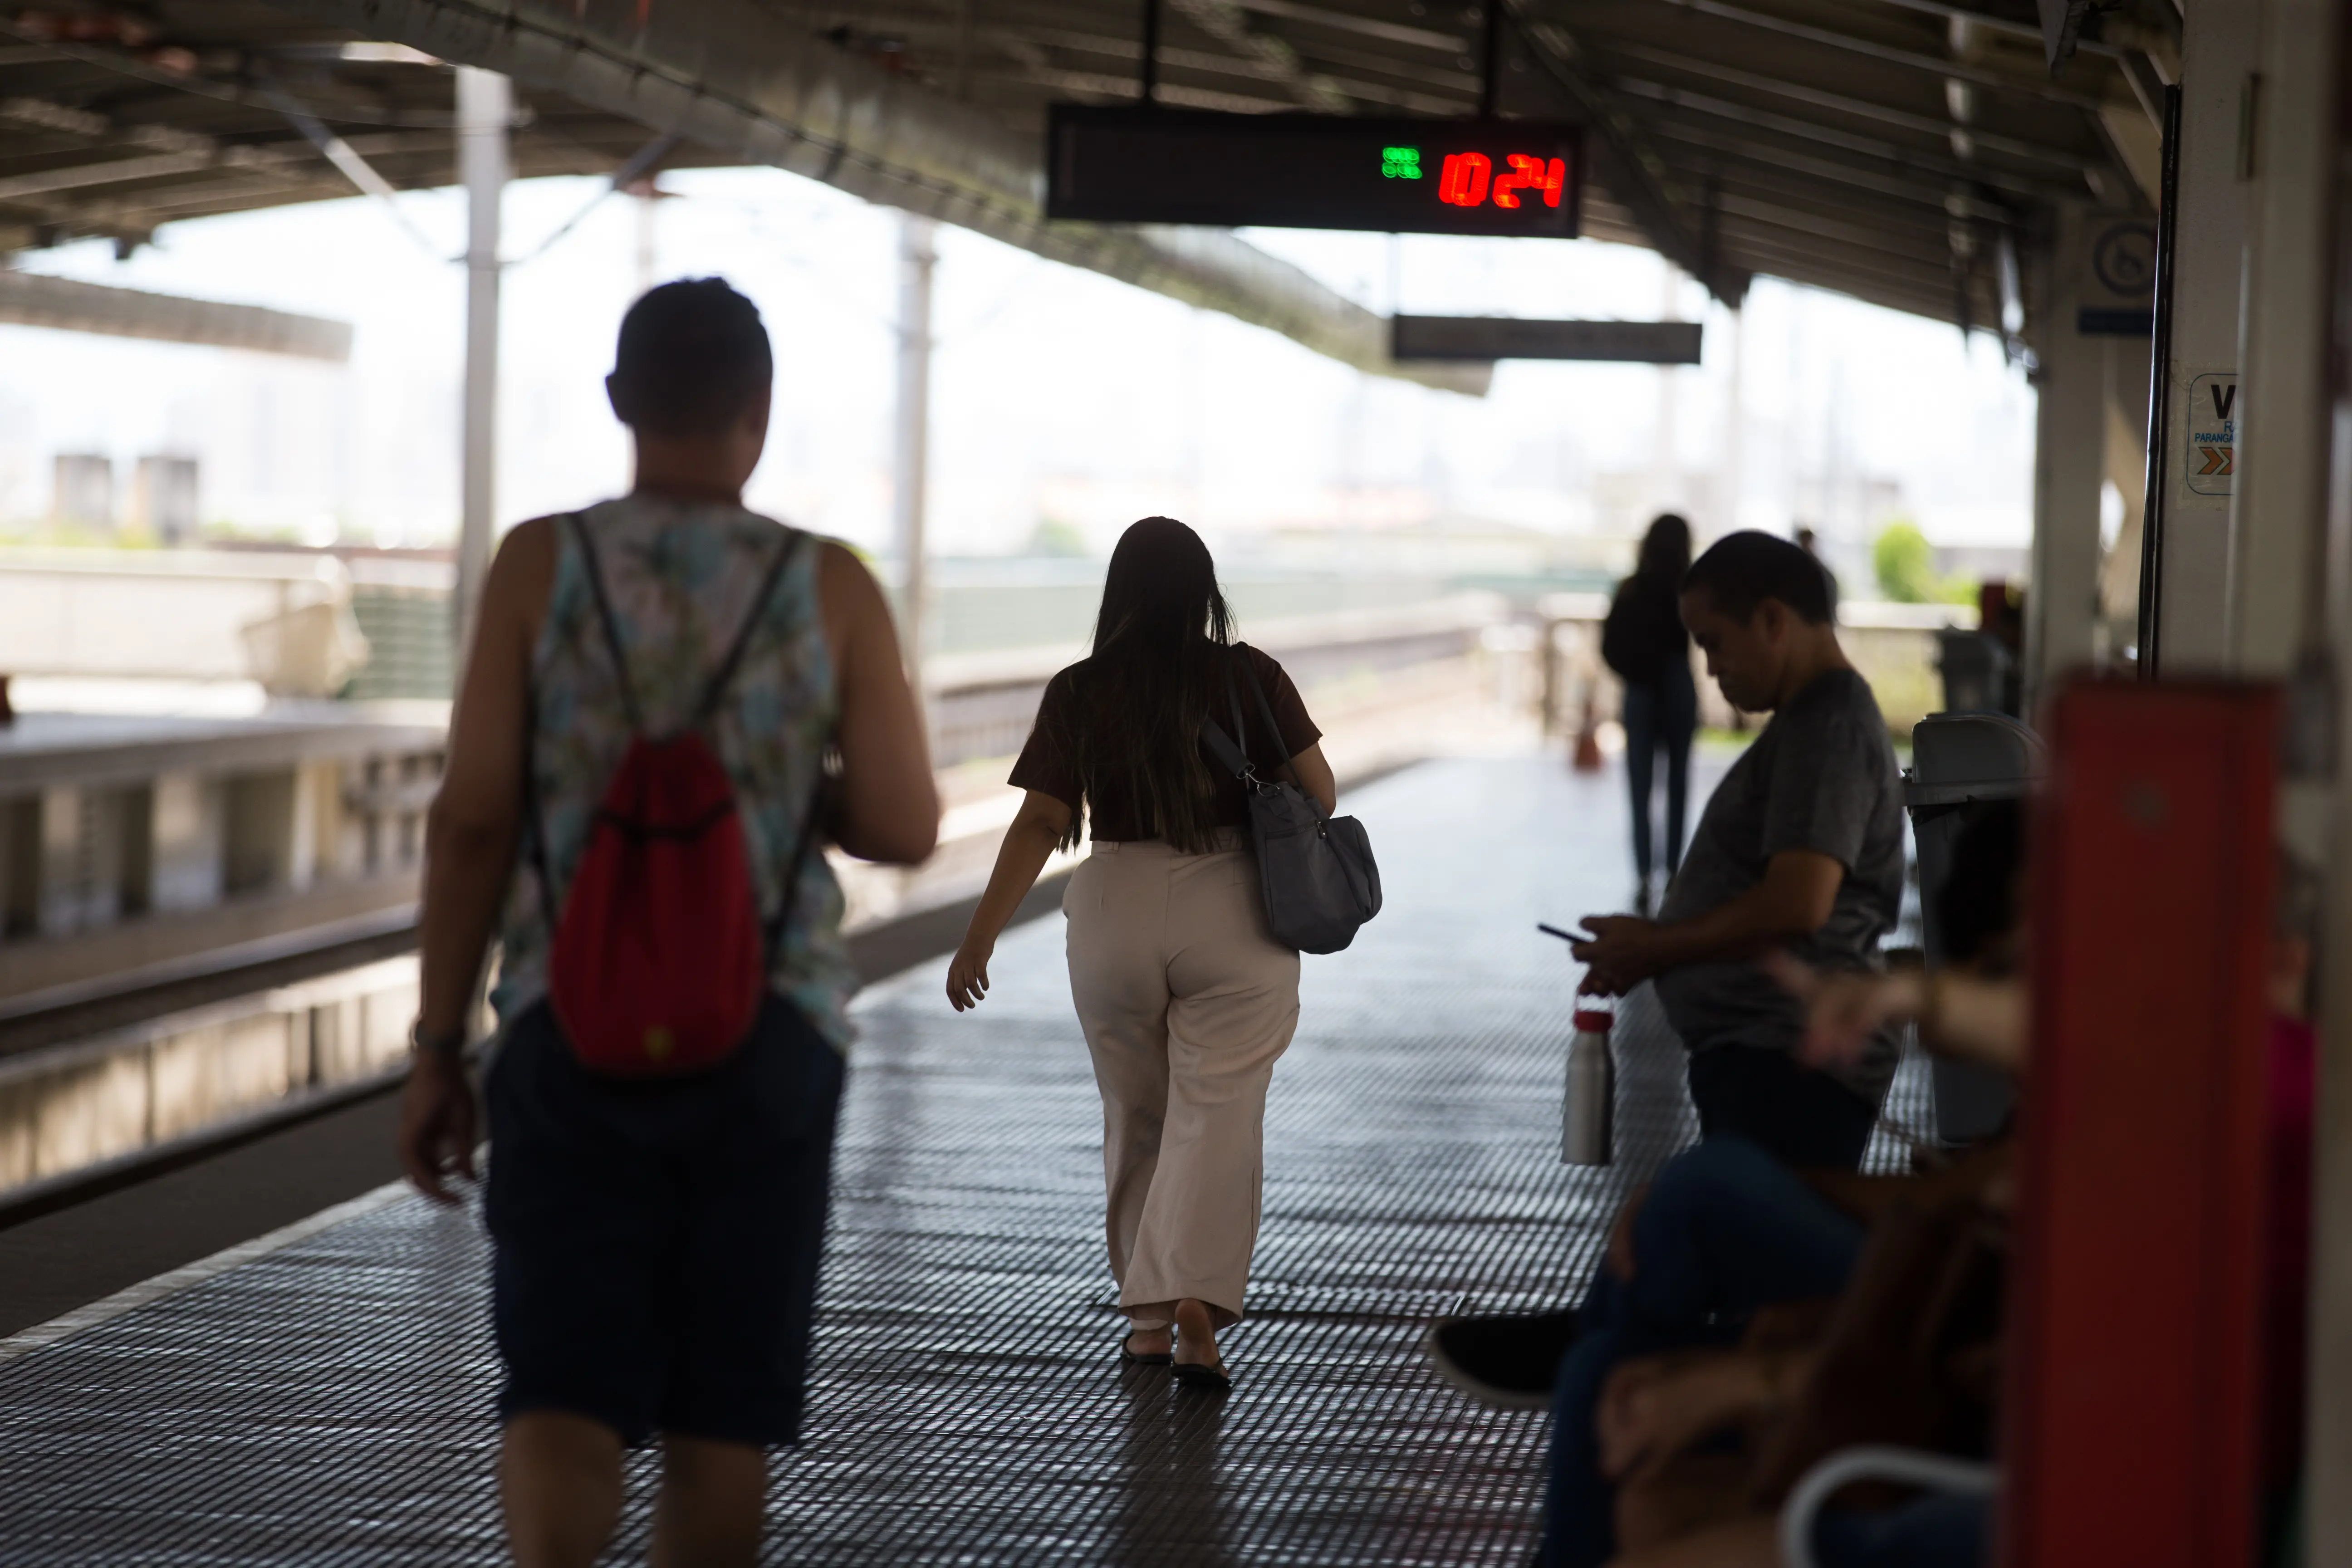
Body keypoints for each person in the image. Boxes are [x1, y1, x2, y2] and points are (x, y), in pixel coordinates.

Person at [397, 278, 939, 1568]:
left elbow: (472, 820)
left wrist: (434, 1048)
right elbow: (909, 823)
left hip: (566, 1025)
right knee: (719, 1421)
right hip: (769, 1034)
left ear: (619, 404)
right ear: (758, 411)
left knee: (561, 1395)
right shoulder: (830, 585)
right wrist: (783, 792)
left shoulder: (543, 562)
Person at [945, 517, 1336, 1393]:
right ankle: (1195, 1305)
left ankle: (1146, 1321)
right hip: (1233, 905)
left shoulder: (1080, 690)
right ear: (1204, 591)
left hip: (1112, 905)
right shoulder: (1248, 676)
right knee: (1217, 1111)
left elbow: (1043, 822)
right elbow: (1318, 790)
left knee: (1137, 1115)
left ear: (1117, 591)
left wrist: (979, 936)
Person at [1572, 529, 1904, 1172]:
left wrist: (1657, 947)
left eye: (1715, 643)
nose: (1712, 668)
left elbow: (1798, 903)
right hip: (1768, 1060)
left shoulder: (1827, 728)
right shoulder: (1809, 724)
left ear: (1773, 620)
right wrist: (1654, 947)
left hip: (1788, 1064)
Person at [1601, 514, 1697, 914]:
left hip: (1639, 692)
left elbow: (1608, 647)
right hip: (1677, 688)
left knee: (1640, 789)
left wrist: (1635, 672)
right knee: (1678, 786)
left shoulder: (1629, 589)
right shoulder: (1689, 588)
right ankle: (1675, 873)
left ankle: (1643, 875)